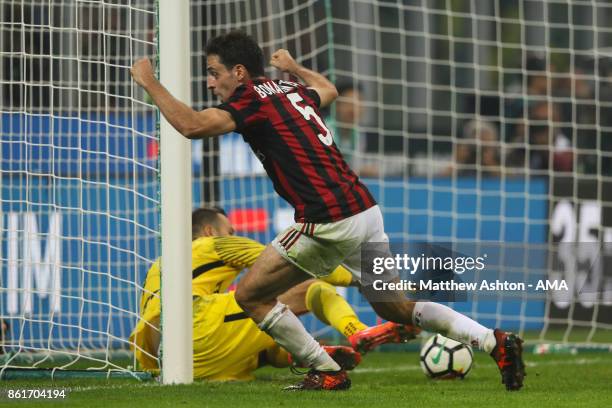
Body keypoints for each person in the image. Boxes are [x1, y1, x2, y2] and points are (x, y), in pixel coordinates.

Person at [130, 31, 525, 391]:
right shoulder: (288, 89)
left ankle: (327, 370)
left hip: (326, 219)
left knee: (251, 295)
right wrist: (294, 68)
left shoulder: (249, 99)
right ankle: (495, 342)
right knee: (397, 308)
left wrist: (149, 81)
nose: (210, 82)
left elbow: (193, 125)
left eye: (214, 73)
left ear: (239, 71)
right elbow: (328, 90)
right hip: (364, 211)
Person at [129, 207, 417, 380]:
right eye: (228, 230)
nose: (233, 234)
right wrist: (370, 281)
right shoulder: (213, 245)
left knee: (265, 321)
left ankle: (299, 356)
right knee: (311, 288)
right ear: (209, 231)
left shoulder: (163, 264)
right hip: (198, 329)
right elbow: (293, 261)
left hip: (169, 360)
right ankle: (358, 331)